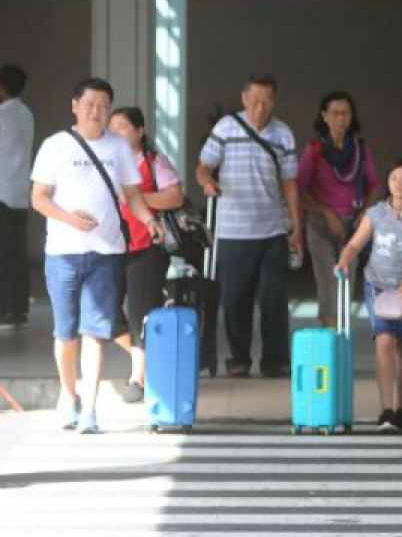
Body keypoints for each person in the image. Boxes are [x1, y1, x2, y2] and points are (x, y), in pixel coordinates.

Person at [29, 77, 163, 434]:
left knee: (95, 331)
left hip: (106, 252)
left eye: (104, 106)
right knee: (66, 334)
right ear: (74, 105)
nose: (96, 111)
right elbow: (38, 197)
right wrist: (71, 219)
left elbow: (133, 195)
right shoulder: (55, 146)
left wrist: (148, 218)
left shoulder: (119, 146)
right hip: (63, 253)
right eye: (89, 104)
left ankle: (89, 409)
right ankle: (68, 396)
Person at [196, 73, 303, 378]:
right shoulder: (226, 128)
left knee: (274, 298)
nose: (260, 107)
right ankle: (239, 358)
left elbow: (290, 184)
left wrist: (296, 228)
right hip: (233, 231)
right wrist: (206, 182)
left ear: (274, 101)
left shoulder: (283, 133)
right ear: (244, 99)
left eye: (267, 101)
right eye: (255, 100)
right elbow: (203, 166)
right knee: (235, 298)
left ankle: (275, 360)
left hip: (272, 230)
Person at [337, 157, 402, 432]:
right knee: (384, 342)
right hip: (378, 286)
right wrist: (344, 260)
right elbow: (355, 244)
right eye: (393, 178)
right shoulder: (376, 214)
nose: (398, 183)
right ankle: (385, 410)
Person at [107, 106, 184, 403]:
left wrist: (136, 197)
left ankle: (137, 377)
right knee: (106, 313)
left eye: (123, 127)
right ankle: (155, 357)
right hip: (111, 247)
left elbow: (175, 196)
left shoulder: (153, 162)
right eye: (112, 127)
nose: (116, 133)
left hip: (146, 247)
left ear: (139, 132)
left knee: (140, 312)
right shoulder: (105, 162)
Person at [298, 91, 380, 328]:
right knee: (327, 278)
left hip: (353, 223)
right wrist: (326, 212)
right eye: (335, 113)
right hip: (320, 223)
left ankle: (342, 331)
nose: (341, 119)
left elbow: (374, 185)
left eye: (345, 113)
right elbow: (300, 192)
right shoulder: (314, 150)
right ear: (324, 117)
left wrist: (365, 211)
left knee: (348, 276)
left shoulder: (360, 149)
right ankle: (329, 333)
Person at [0, 64, 34, 328]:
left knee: (4, 253)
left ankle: (7, 308)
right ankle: (18, 307)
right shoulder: (25, 113)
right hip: (20, 191)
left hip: (2, 191)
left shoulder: (3, 116)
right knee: (15, 252)